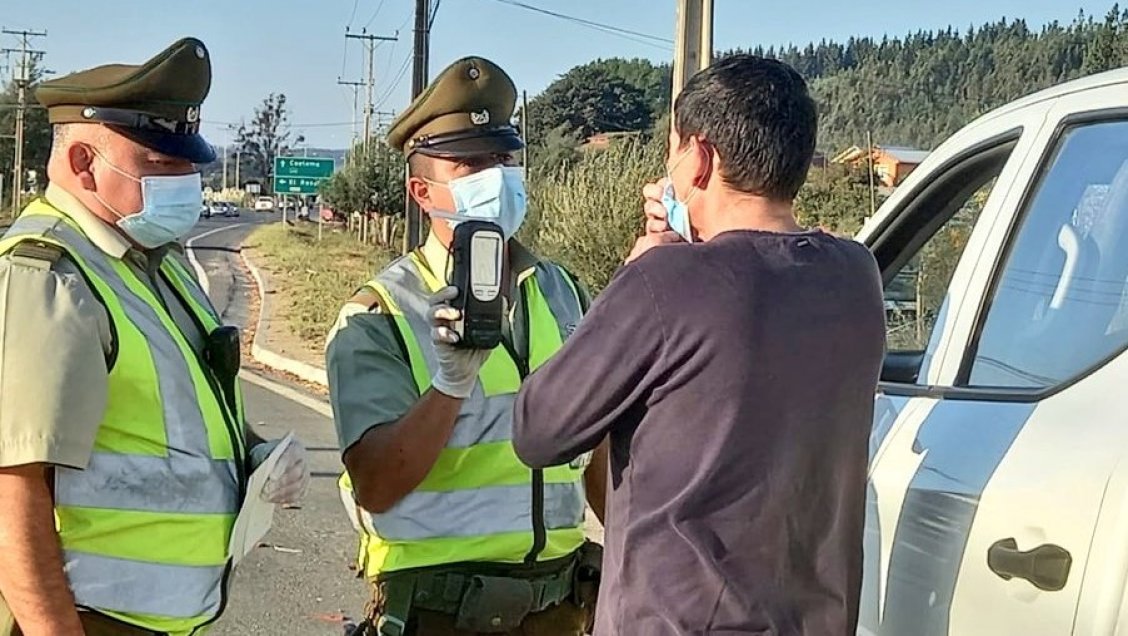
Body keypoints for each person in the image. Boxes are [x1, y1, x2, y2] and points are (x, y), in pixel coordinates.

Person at [511, 55, 886, 635]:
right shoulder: (856, 277)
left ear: (702, 157)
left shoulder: (664, 282)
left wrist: (639, 270)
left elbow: (540, 430)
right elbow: (761, 276)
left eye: (674, 151)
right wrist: (688, 251)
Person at [0, 38, 309, 636]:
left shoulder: (151, 264)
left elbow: (170, 419)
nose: (185, 181)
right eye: (160, 165)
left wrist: (254, 455)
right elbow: (13, 498)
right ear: (84, 163)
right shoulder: (48, 275)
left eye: (188, 164)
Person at [326, 56, 606, 636]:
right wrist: (451, 385)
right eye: (471, 163)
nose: (497, 176)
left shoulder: (561, 289)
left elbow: (597, 456)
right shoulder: (379, 312)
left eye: (504, 159)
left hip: (558, 605)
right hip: (438, 610)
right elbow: (376, 484)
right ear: (421, 190)